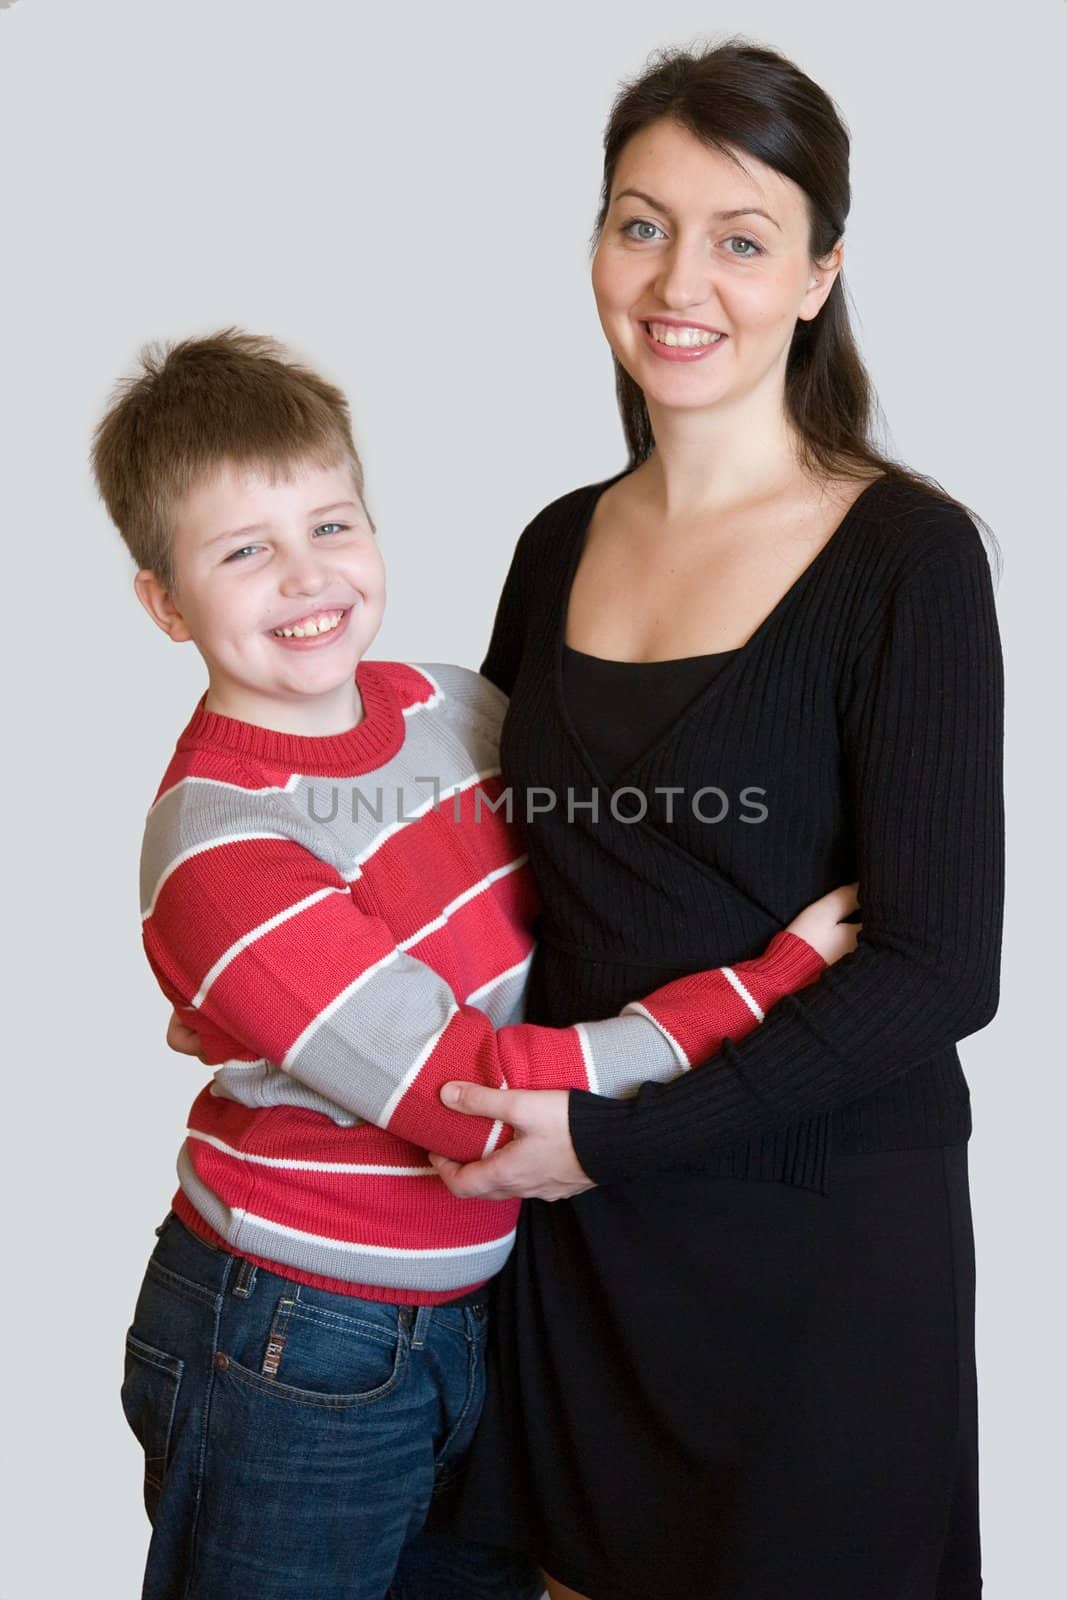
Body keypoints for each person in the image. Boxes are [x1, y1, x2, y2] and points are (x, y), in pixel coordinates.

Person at [93, 328, 861, 1600]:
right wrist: (768, 982)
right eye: (244, 552)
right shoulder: (223, 847)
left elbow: (613, 862)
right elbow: (475, 1088)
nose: (306, 577)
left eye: (331, 526)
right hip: (294, 1332)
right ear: (165, 601)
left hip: (474, 1319)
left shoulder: (449, 706)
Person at [423, 40, 1005, 1600]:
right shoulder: (555, 545)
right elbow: (476, 879)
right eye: (638, 222)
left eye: (740, 237)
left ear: (817, 275)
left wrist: (610, 1141)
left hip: (813, 1253)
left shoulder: (905, 558)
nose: (679, 279)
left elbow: (939, 971)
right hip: (582, 1244)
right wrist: (296, 983)